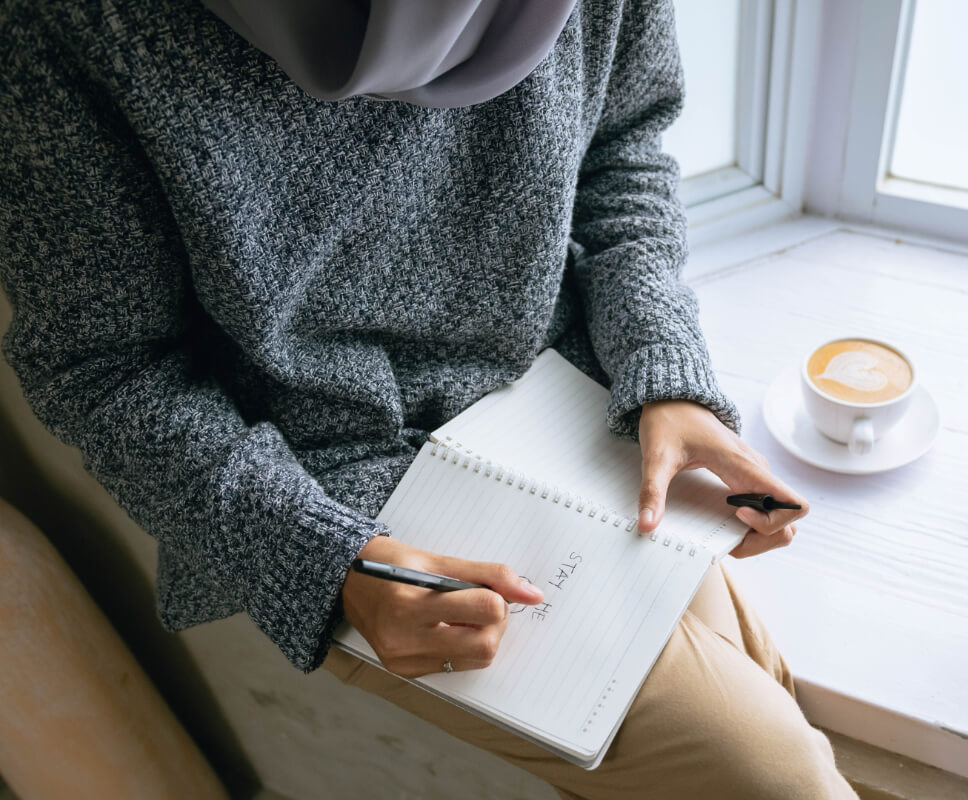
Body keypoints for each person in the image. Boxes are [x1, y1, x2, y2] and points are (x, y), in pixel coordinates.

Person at [0, 0, 857, 797]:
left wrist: (664, 373)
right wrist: (326, 564)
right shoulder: (73, 19)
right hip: (329, 482)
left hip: (560, 391)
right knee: (778, 776)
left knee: (762, 719)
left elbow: (624, 146)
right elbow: (104, 367)